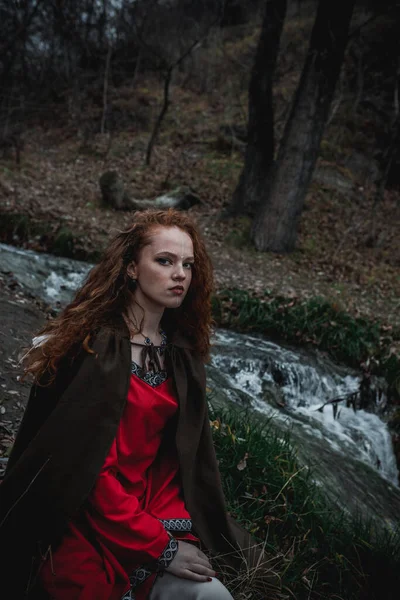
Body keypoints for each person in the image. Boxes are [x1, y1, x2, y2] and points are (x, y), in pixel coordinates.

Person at [0, 209, 243, 600]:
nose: (179, 273)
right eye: (164, 261)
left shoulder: (181, 354)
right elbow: (85, 467)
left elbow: (176, 460)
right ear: (131, 268)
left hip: (152, 509)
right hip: (83, 518)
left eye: (188, 264)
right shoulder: (95, 348)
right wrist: (160, 547)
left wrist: (170, 534)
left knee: (212, 596)